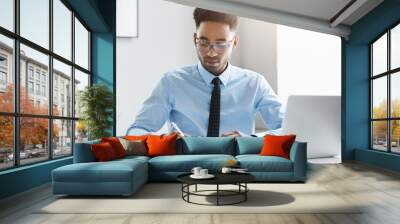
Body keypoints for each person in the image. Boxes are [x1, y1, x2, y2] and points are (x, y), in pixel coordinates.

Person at [127, 8, 284, 137]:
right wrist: (164, 141)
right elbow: (137, 131)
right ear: (195, 39)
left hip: (236, 167)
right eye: (204, 43)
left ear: (234, 42)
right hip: (185, 166)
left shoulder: (254, 83)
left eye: (220, 44)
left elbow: (287, 128)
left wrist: (250, 139)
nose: (211, 53)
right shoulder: (171, 82)